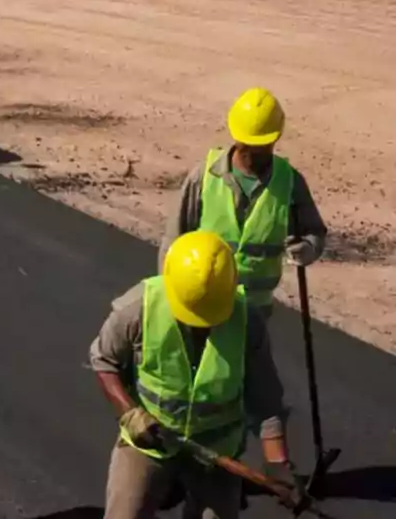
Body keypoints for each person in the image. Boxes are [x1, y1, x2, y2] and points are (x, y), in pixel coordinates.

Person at [92, 230, 301, 518]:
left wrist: (277, 465)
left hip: (217, 453)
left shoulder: (247, 323)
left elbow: (266, 400)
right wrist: (130, 414)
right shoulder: (138, 308)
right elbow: (104, 361)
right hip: (150, 442)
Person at [159, 87, 328, 316]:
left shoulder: (289, 182)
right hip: (203, 305)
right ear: (235, 136)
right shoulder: (205, 176)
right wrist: (168, 296)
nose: (252, 153)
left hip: (255, 312)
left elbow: (314, 232)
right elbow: (174, 242)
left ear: (276, 138)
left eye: (260, 146)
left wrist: (307, 249)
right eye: (246, 145)